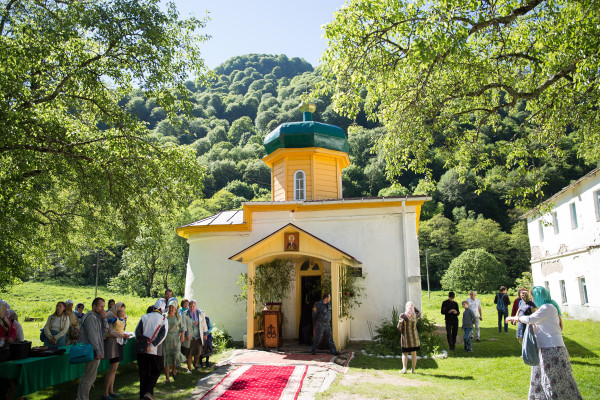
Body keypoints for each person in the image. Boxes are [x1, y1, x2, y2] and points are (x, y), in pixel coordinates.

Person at [507, 286, 582, 400]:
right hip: (545, 349)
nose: (532, 299)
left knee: (554, 382)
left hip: (552, 350)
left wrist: (514, 318)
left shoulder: (548, 307)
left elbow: (530, 319)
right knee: (540, 380)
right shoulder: (546, 308)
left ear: (538, 296)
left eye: (533, 296)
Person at [135, 300, 168, 400]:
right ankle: (149, 392)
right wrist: (152, 345)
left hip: (142, 350)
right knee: (156, 371)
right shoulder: (163, 319)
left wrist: (143, 344)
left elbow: (137, 332)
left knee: (143, 374)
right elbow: (162, 336)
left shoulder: (144, 317)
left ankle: (143, 396)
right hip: (155, 351)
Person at [77, 298, 105, 400]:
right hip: (92, 351)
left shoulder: (96, 316)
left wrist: (104, 318)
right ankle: (83, 398)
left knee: (87, 376)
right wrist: (97, 350)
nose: (103, 309)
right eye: (101, 306)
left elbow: (105, 330)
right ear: (94, 306)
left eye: (104, 306)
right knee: (89, 377)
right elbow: (93, 336)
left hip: (92, 350)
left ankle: (80, 397)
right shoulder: (91, 317)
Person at [103, 302, 130, 400]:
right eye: (121, 310)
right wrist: (122, 335)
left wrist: (123, 322)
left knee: (114, 369)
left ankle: (111, 391)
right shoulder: (110, 315)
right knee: (112, 369)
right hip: (113, 344)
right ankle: (105, 393)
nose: (122, 313)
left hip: (117, 343)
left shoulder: (116, 317)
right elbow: (110, 331)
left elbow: (120, 328)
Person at [163, 298, 184, 382]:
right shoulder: (164, 316)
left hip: (176, 339)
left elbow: (182, 327)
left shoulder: (178, 317)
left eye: (173, 307)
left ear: (175, 308)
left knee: (175, 356)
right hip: (166, 339)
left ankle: (174, 371)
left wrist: (182, 335)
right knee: (166, 357)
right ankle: (167, 377)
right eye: (170, 307)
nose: (171, 309)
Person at [397, 301, 420, 373]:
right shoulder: (416, 315)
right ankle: (413, 370)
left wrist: (402, 330)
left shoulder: (403, 316)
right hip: (414, 337)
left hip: (406, 338)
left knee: (405, 354)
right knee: (414, 354)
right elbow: (418, 311)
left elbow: (399, 327)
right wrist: (412, 308)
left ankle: (404, 369)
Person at [184, 299, 208, 370]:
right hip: (190, 336)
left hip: (198, 336)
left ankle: (195, 363)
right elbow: (184, 325)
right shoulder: (185, 314)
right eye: (190, 306)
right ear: (188, 306)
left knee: (198, 353)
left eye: (193, 306)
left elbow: (204, 324)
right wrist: (186, 334)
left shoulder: (200, 313)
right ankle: (189, 368)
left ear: (196, 306)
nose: (192, 308)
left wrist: (205, 333)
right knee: (189, 354)